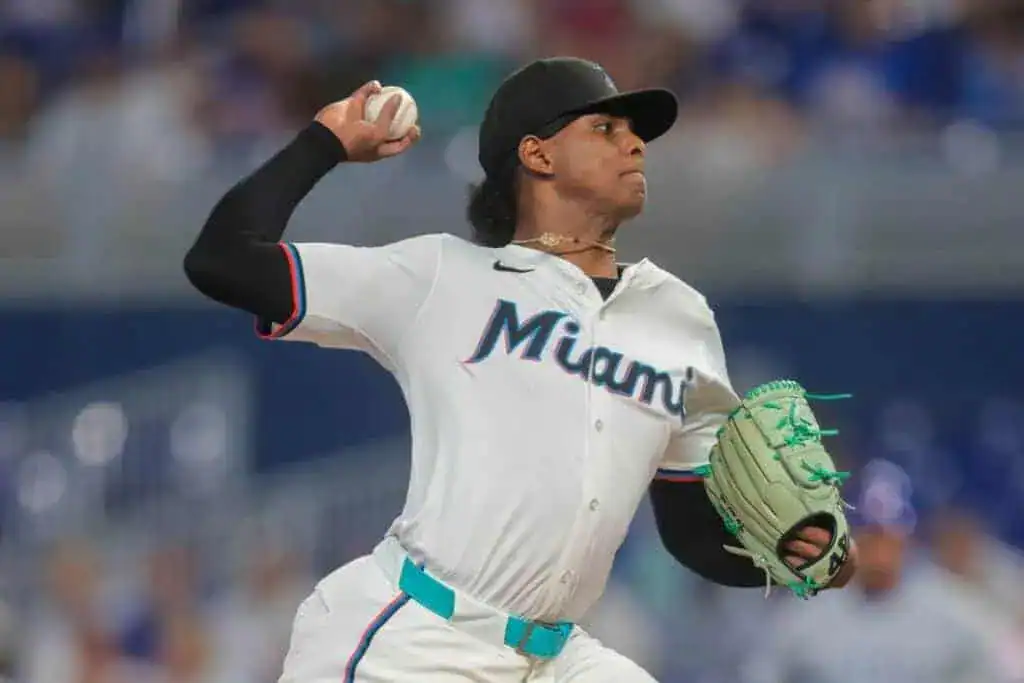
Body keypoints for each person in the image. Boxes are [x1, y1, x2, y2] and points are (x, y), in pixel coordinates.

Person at [183, 57, 855, 683]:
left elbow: (689, 530)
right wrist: (325, 142)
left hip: (557, 657)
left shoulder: (681, 320)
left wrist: (797, 553)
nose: (634, 144)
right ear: (537, 153)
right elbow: (222, 258)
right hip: (416, 637)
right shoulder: (442, 276)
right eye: (605, 127)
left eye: (635, 132)